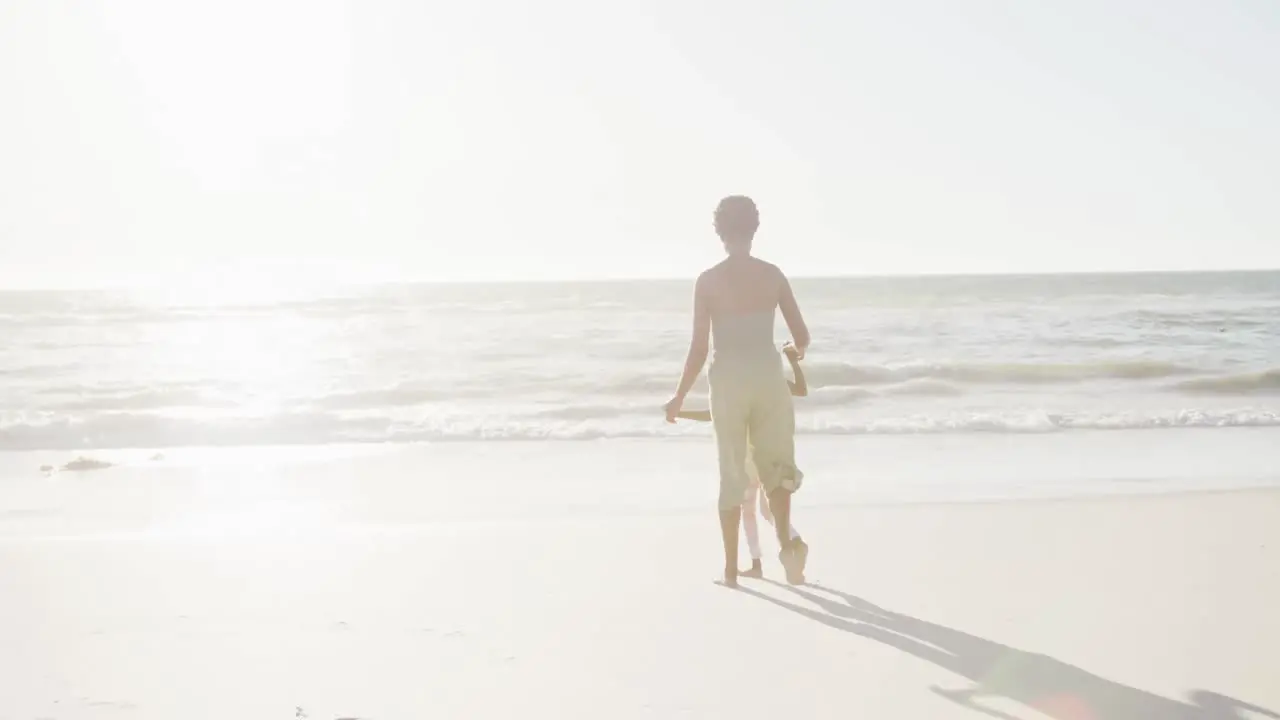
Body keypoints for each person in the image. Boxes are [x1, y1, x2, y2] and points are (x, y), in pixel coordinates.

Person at [664, 195, 811, 588]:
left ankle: (731, 571)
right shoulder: (773, 275)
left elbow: (698, 348)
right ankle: (785, 543)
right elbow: (802, 338)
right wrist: (793, 354)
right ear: (755, 228)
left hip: (728, 379)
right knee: (776, 467)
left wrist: (679, 396)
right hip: (768, 376)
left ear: (719, 232)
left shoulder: (709, 281)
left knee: (732, 472)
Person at [674, 342, 808, 579]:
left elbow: (712, 415)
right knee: (769, 511)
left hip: (746, 457)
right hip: (770, 454)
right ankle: (795, 543)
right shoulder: (773, 383)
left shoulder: (738, 387)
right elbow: (801, 389)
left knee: (748, 511)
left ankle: (757, 564)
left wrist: (680, 411)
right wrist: (793, 361)